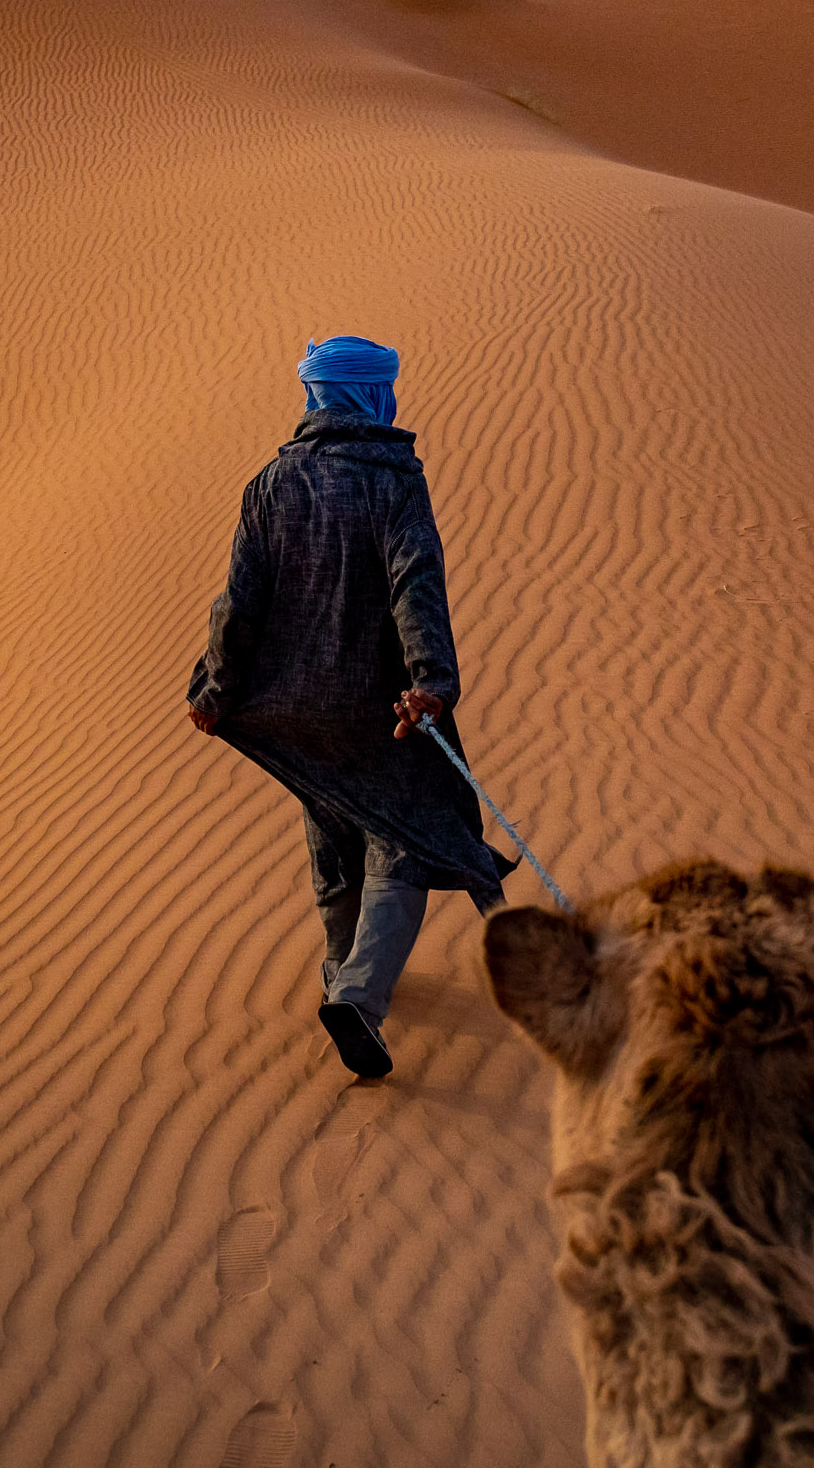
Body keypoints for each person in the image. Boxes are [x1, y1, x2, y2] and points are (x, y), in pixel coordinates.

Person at [186, 335, 513, 1080]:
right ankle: (360, 995)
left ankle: (340, 968)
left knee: (333, 816)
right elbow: (414, 583)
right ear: (373, 396)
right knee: (405, 831)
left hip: (296, 707)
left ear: (317, 397)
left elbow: (238, 604)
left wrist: (214, 690)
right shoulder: (395, 479)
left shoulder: (272, 481)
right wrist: (430, 679)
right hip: (376, 705)